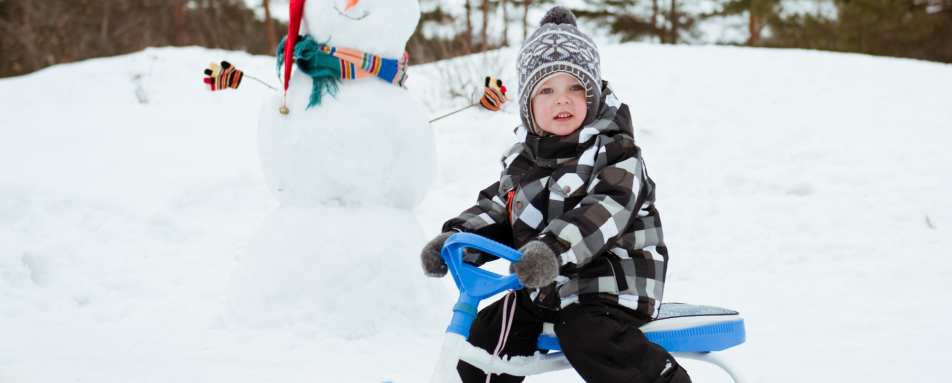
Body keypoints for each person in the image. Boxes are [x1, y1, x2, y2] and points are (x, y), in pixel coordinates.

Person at [420, 6, 691, 383]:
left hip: (614, 285)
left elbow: (604, 212)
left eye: (575, 88)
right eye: (546, 90)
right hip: (547, 287)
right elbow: (500, 210)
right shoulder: (523, 163)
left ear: (593, 95)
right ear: (529, 106)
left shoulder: (616, 154)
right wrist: (458, 240)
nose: (561, 100)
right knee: (488, 329)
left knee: (586, 332)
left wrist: (551, 250)